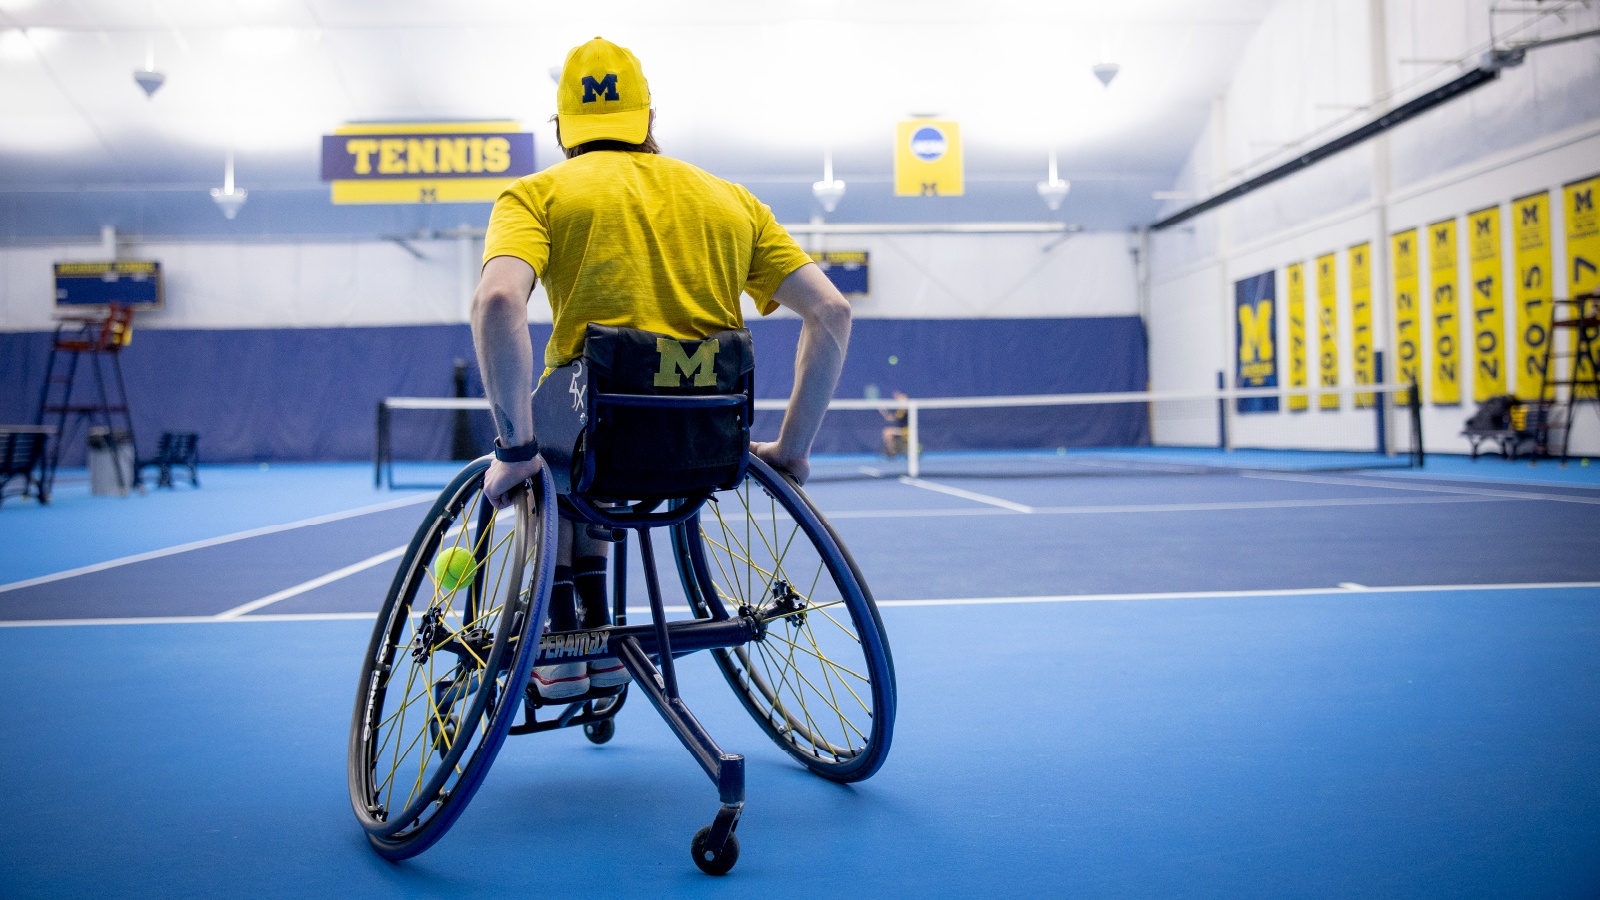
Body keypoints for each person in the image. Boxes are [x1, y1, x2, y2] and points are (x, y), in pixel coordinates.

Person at [470, 37, 852, 700]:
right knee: (604, 435)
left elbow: (499, 299)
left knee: (560, 441)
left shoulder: (536, 194)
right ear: (648, 122)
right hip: (709, 437)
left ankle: (564, 640)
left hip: (598, 426)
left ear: (562, 131)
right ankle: (600, 626)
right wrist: (792, 449)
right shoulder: (733, 200)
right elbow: (833, 312)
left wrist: (515, 446)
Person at [879, 390, 910, 457]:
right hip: (901, 430)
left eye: (901, 398)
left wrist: (901, 398)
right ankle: (892, 451)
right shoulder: (900, 410)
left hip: (907, 431)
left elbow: (904, 403)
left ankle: (892, 452)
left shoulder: (905, 408)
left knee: (887, 432)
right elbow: (889, 418)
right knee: (887, 432)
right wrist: (883, 411)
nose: (899, 399)